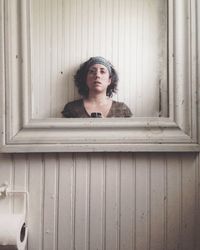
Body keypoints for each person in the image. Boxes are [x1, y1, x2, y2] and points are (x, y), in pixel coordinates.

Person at [62, 56, 132, 118]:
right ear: (85, 79)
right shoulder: (72, 109)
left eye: (102, 71)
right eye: (92, 71)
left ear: (109, 80)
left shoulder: (122, 110)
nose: (97, 75)